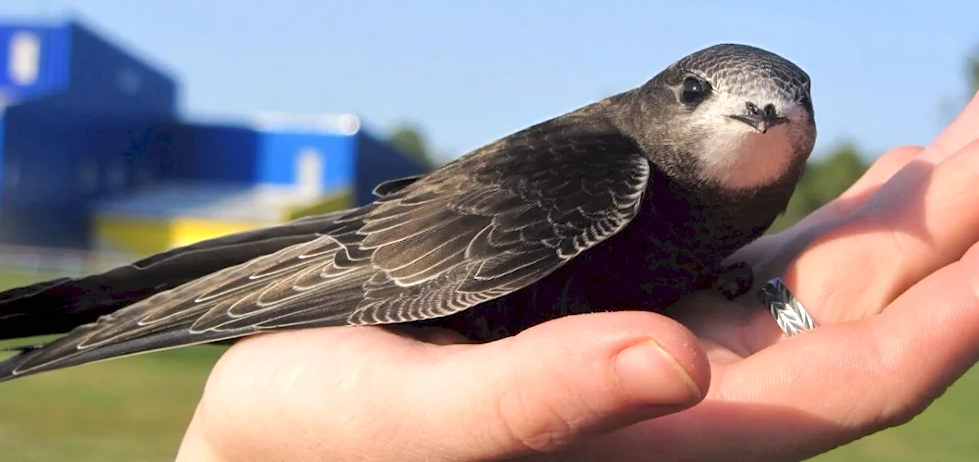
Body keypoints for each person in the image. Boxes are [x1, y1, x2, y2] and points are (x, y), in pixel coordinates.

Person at [176, 92, 979, 462]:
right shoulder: (597, 166)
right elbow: (378, 258)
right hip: (398, 259)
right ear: (668, 99)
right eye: (704, 94)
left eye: (788, 104)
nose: (758, 116)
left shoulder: (749, 192)